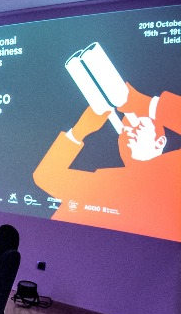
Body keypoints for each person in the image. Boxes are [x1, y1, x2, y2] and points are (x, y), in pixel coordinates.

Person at [32, 84, 180, 242]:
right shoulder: (106, 181)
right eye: (125, 130)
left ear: (160, 142)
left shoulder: (174, 171)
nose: (129, 132)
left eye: (139, 126)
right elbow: (46, 176)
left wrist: (145, 104)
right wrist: (80, 130)